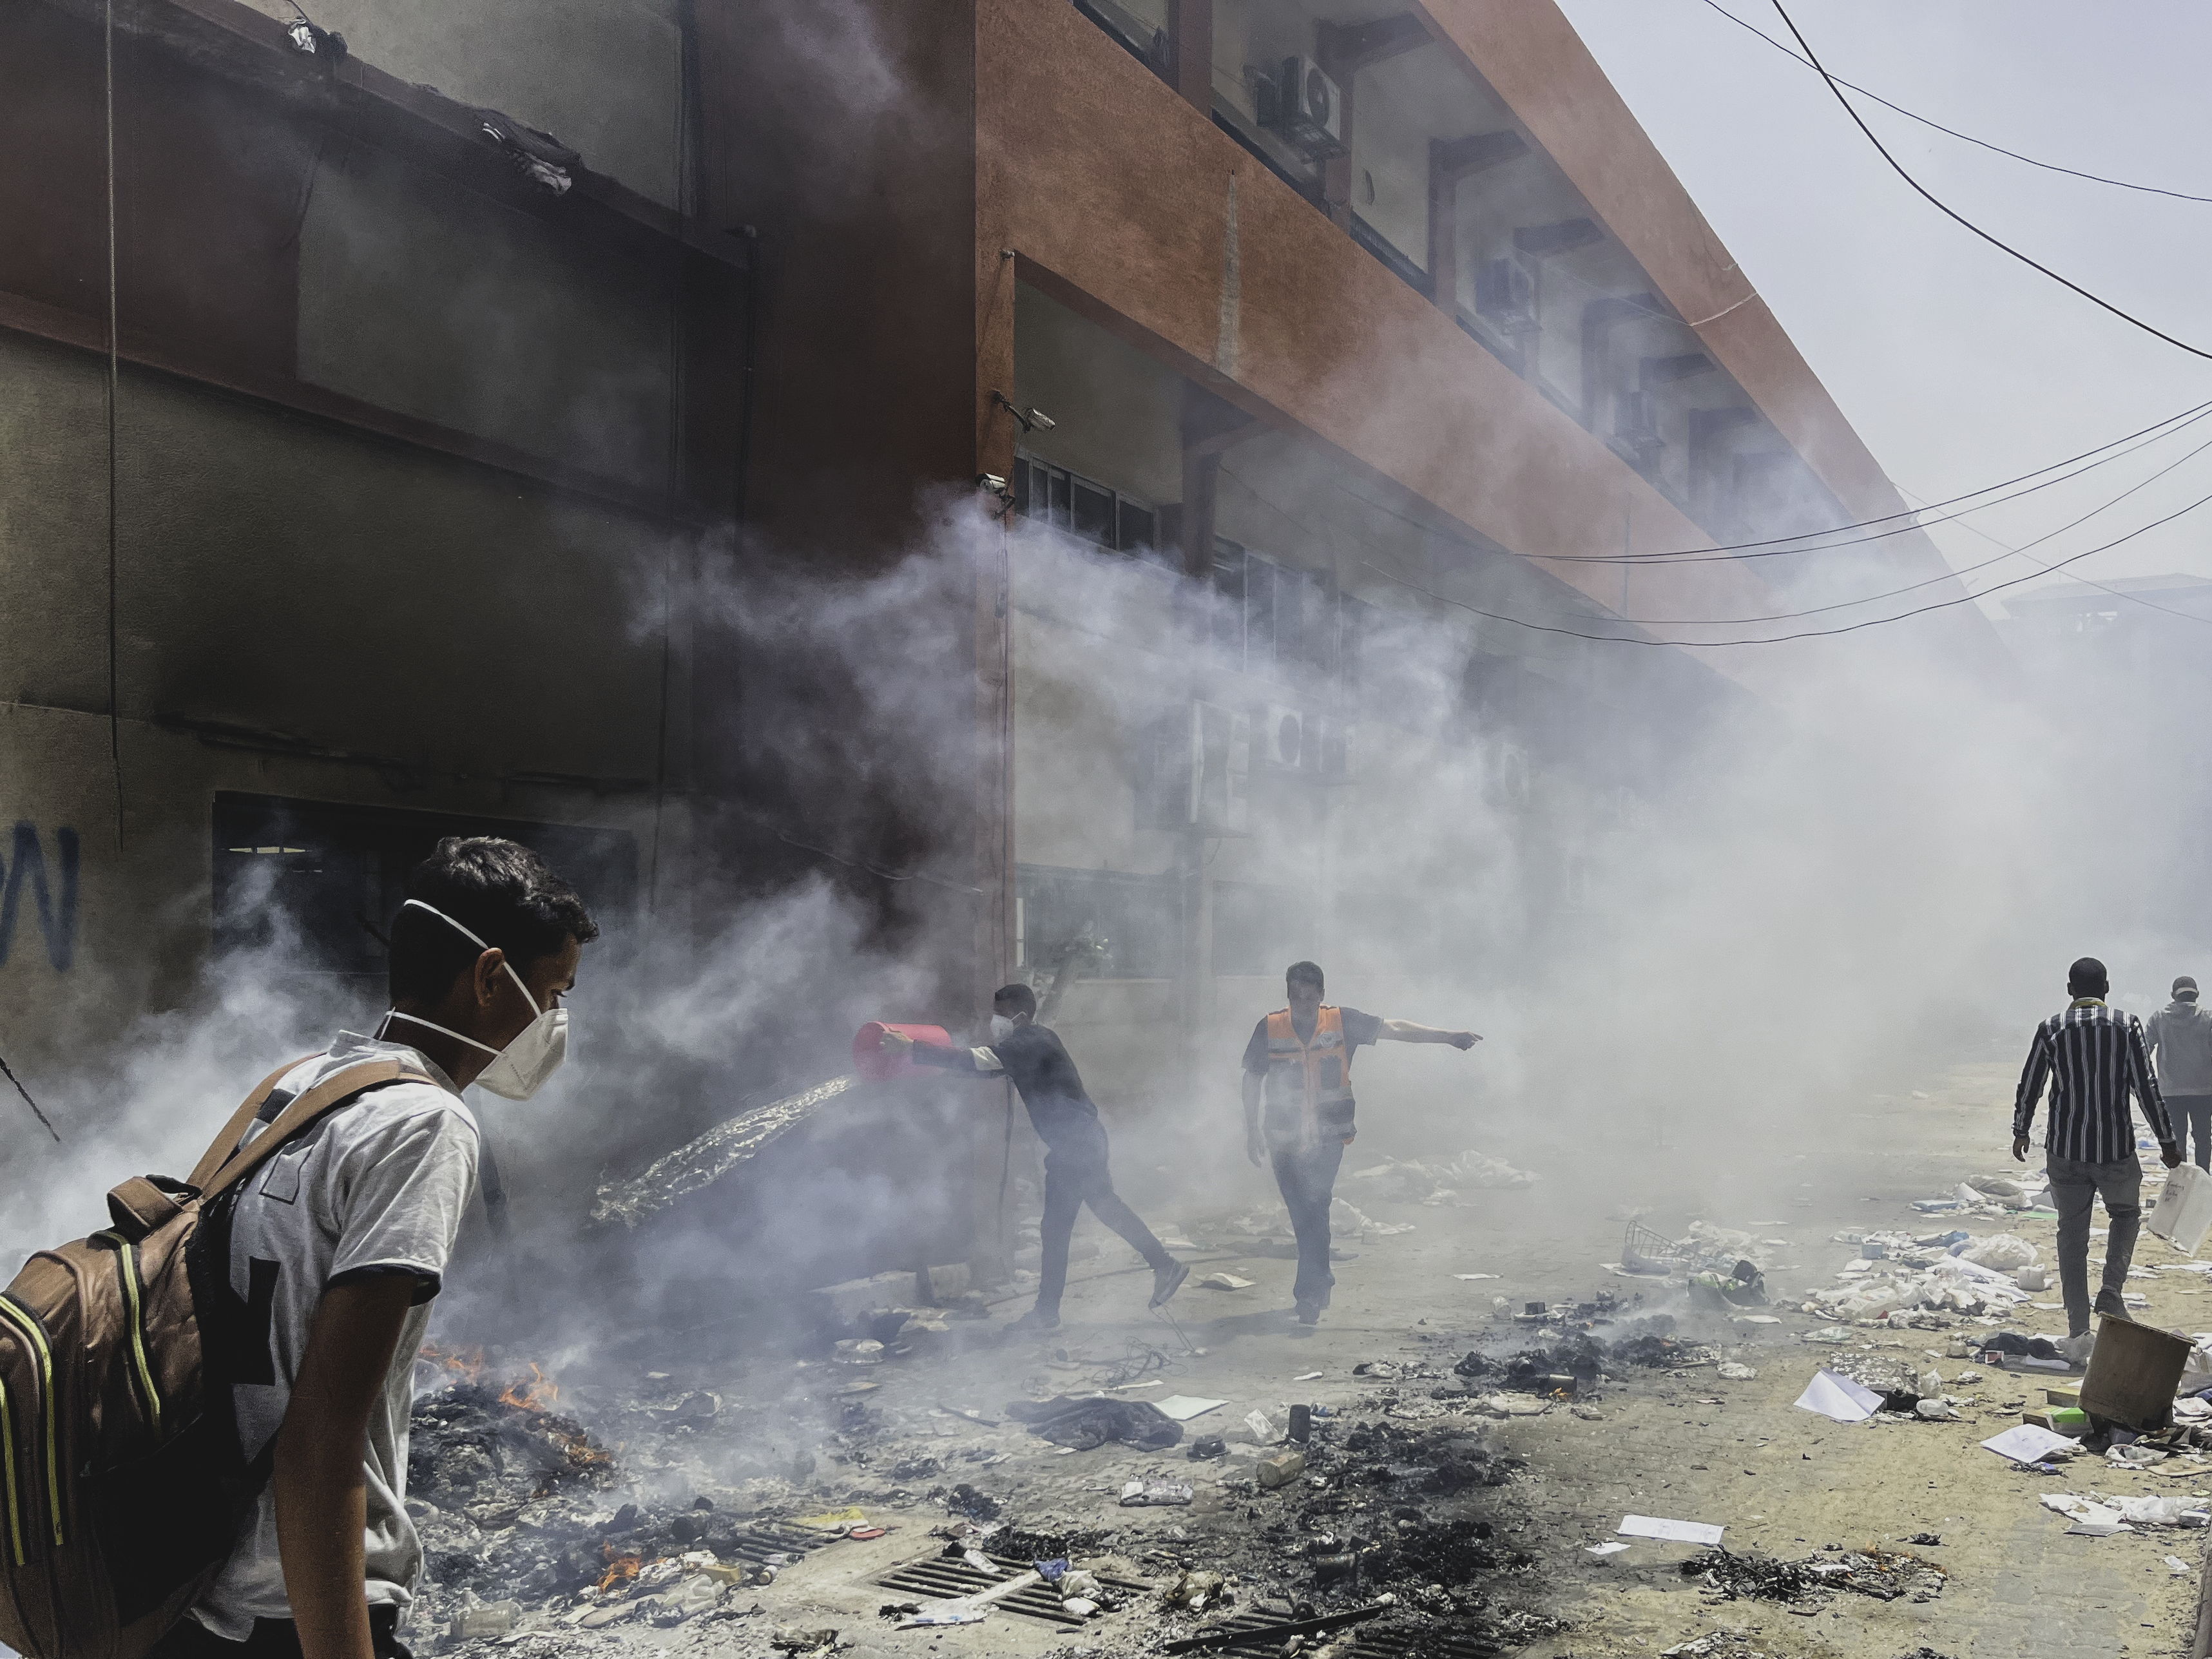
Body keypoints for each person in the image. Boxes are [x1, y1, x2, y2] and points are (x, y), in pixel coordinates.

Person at [160, 837, 596, 1659]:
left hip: (196, 1590)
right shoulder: (424, 1123)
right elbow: (322, 1433)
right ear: (489, 976)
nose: (556, 1022)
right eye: (553, 992)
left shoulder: (300, 1086)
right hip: (288, 1605)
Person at [883, 983, 1186, 1332]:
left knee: (1060, 1228)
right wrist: (931, 1064)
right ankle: (1160, 1265)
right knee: (1097, 1211)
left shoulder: (1031, 1040)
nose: (995, 1020)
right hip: (1081, 1142)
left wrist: (914, 1049)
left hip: (1075, 1144)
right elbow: (987, 1067)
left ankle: (1051, 1311)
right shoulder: (1032, 1042)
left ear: (1020, 1014)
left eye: (1000, 1013)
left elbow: (981, 1059)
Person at [1241, 961, 1481, 1325]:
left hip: (1327, 1138)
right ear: (1288, 995)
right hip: (1284, 1139)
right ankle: (1320, 1278)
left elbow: (1397, 1028)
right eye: (1295, 995)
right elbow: (1252, 1078)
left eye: (1309, 995)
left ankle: (1308, 1295)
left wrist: (1448, 1037)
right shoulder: (1270, 1028)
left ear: (1322, 995)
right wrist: (1250, 1128)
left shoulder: (1341, 1021)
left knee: (1315, 1205)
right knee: (1302, 1213)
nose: (1302, 1002)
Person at [2012, 955, 2180, 1362]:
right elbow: (2146, 1086)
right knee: (2125, 1215)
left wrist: (2020, 1129)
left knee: (2072, 1236)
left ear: (2070, 990)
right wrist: (2167, 1139)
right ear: (2106, 989)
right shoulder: (2126, 1026)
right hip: (2116, 1151)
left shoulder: (2052, 1028)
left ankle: (2078, 1328)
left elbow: (2031, 1081)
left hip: (2066, 1151)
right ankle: (2111, 1291)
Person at [2146, 976, 2212, 1171]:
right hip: (2204, 1090)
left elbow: (2144, 1051)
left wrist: (2143, 1084)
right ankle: (2204, 1178)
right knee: (2203, 1138)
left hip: (2171, 1091)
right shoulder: (2208, 1018)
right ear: (2197, 994)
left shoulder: (2159, 1018)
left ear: (2173, 995)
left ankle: (2179, 1181)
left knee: (2177, 1139)